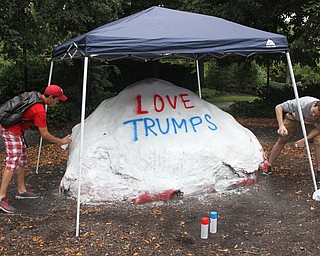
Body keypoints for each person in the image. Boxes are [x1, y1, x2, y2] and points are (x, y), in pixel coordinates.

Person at [0, 84, 72, 213]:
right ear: (50, 97)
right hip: (10, 130)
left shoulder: (36, 95)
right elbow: (44, 134)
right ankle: (1, 197)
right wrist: (61, 141)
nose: (57, 102)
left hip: (17, 130)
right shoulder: (39, 110)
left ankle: (21, 190)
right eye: (57, 99)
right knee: (13, 161)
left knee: (22, 159)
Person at [265, 96, 320, 181]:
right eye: (313, 111)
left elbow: (318, 129)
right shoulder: (301, 103)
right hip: (293, 118)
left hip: (311, 124)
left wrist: (304, 140)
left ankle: (319, 171)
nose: (313, 115)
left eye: (316, 115)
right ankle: (268, 165)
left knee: (318, 143)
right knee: (282, 139)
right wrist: (281, 125)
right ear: (314, 104)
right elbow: (279, 107)